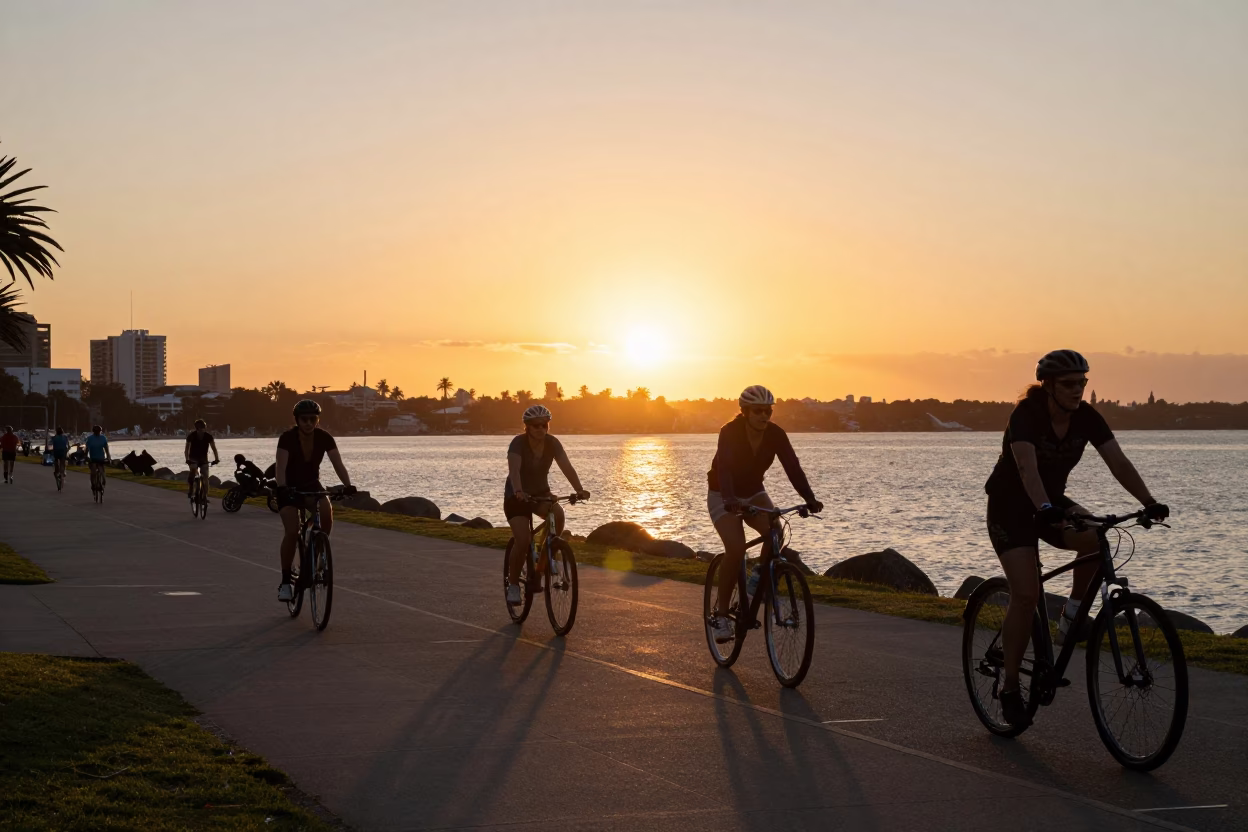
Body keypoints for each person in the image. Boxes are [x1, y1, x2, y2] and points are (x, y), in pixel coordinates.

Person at [984, 349, 1168, 729]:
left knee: (1096, 537)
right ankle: (1011, 687)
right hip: (1012, 507)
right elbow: (1025, 468)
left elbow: (1118, 461)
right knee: (1026, 595)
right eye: (1069, 384)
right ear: (1048, 386)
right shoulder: (1026, 415)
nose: (1078, 390)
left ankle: (1070, 616)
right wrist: (1046, 507)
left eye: (1083, 382)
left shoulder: (1086, 417)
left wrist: (1148, 501)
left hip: (1052, 503)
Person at [707, 386, 824, 643]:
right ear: (745, 412)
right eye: (758, 411)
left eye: (768, 411)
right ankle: (721, 614)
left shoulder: (775, 434)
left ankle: (758, 576)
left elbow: (793, 467)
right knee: (736, 550)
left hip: (754, 492)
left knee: (775, 532)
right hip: (722, 495)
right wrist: (729, 499)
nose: (764, 416)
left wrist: (810, 499)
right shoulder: (729, 432)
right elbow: (724, 468)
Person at [504, 404, 590, 605]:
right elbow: (514, 471)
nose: (541, 429)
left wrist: (579, 489)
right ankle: (514, 585)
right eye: (536, 426)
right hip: (516, 497)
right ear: (527, 427)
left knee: (557, 515)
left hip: (541, 494)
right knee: (523, 541)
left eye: (545, 425)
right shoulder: (518, 443)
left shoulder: (553, 443)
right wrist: (518, 491)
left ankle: (545, 556)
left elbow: (566, 466)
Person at [274, 400, 355, 601]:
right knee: (292, 531)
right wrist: (282, 488)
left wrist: (347, 485)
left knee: (326, 514)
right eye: (304, 419)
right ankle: (285, 582)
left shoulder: (324, 437)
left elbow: (338, 463)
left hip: (311, 485)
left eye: (313, 419)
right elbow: (280, 468)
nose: (309, 423)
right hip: (289, 488)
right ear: (297, 420)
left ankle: (315, 556)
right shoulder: (287, 438)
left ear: (318, 420)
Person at [184, 419, 220, 501]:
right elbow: (186, 449)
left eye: (204, 428)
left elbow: (214, 448)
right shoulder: (191, 436)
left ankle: (204, 497)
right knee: (193, 472)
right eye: (201, 428)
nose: (203, 430)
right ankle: (191, 488)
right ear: (197, 429)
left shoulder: (208, 436)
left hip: (203, 459)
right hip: (193, 458)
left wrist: (216, 459)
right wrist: (187, 459)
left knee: (205, 478)